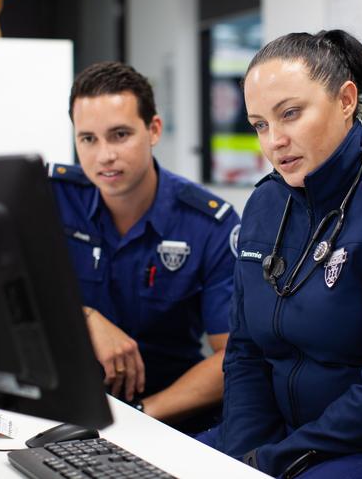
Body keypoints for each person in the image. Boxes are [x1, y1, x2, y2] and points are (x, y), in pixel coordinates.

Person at [213, 30, 362, 478]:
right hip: (293, 442)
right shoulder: (266, 203)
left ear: (346, 100)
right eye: (260, 125)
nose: (274, 141)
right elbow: (245, 354)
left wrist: (274, 462)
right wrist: (244, 457)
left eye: (290, 114)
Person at [49, 61, 241, 432]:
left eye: (119, 134)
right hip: (66, 403)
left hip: (166, 412)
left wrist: (139, 416)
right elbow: (2, 295)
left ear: (153, 130)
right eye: (88, 139)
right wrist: (84, 317)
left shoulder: (208, 224)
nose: (104, 155)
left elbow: (234, 356)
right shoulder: (50, 197)